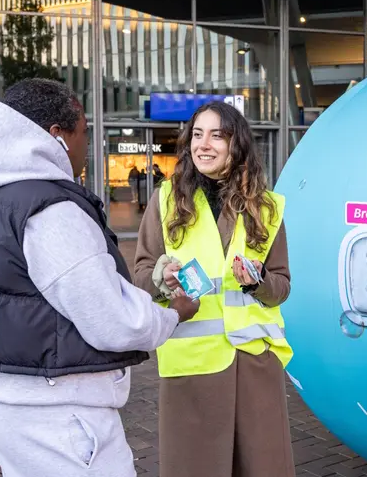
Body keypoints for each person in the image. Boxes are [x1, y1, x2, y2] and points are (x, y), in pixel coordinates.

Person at [0, 78, 199, 477]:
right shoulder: (51, 209)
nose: (87, 144)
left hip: (8, 399)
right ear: (58, 136)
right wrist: (174, 313)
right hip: (57, 411)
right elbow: (113, 319)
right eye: (84, 130)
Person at [134, 101, 294, 477]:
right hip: (192, 368)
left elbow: (282, 286)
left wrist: (258, 282)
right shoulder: (166, 200)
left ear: (236, 144)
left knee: (262, 467)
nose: (203, 144)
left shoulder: (267, 208)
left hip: (255, 365)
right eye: (198, 134)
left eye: (217, 135)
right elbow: (141, 274)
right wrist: (161, 277)